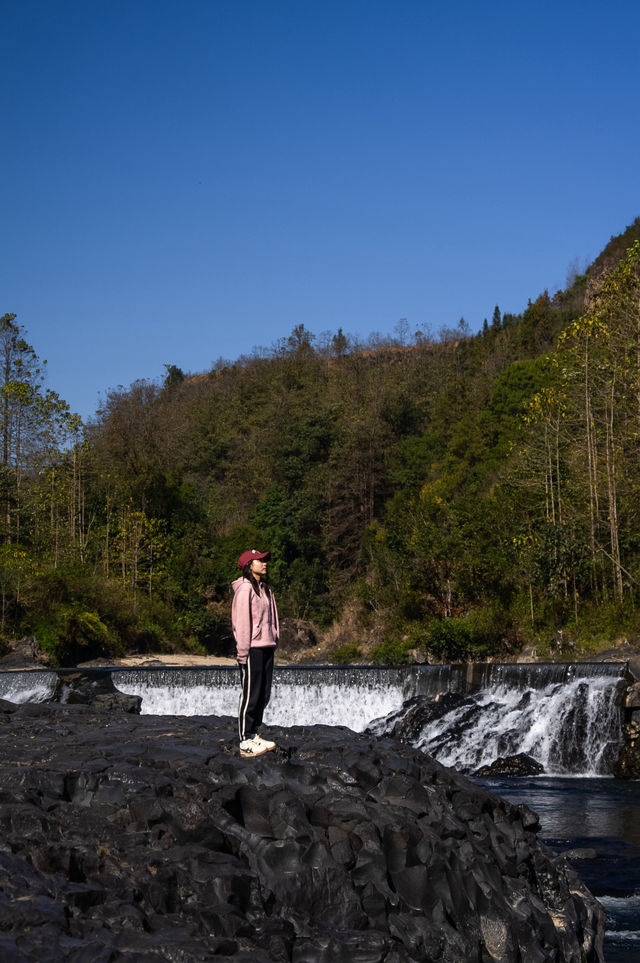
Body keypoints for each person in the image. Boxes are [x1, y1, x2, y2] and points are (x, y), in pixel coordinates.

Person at [232, 549, 280, 758]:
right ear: (250, 565)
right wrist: (242, 652)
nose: (264, 563)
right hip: (252, 648)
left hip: (267, 646)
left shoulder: (266, 590)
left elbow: (274, 617)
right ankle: (245, 739)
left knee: (263, 694)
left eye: (264, 560)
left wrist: (275, 637)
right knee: (251, 694)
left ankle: (254, 733)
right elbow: (241, 624)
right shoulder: (244, 590)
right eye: (260, 561)